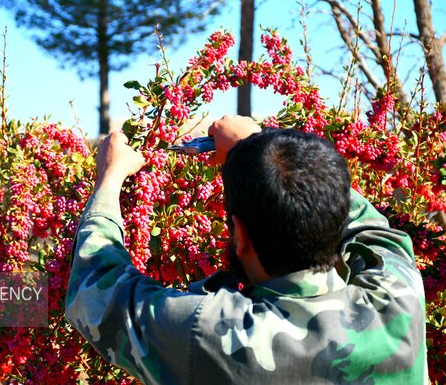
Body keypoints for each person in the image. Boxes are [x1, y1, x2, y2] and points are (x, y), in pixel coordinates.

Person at [65, 115, 427, 384]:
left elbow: (96, 289)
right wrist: (263, 151)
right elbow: (372, 230)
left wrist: (109, 179)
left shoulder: (212, 333)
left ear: (241, 236)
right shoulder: (399, 300)